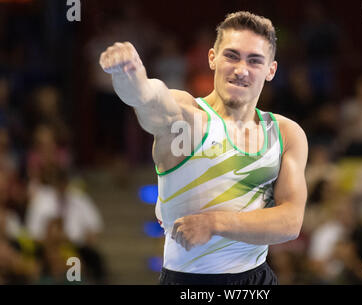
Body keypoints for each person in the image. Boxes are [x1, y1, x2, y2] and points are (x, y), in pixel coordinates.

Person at [99, 11, 308, 285]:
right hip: (189, 283)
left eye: (254, 60)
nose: (241, 70)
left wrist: (215, 223)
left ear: (271, 70)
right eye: (231, 56)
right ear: (212, 58)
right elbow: (152, 103)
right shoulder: (189, 118)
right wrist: (131, 78)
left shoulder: (285, 133)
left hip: (257, 282)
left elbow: (290, 222)